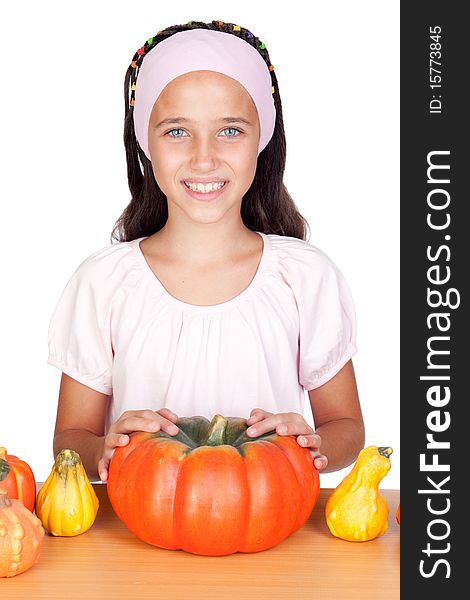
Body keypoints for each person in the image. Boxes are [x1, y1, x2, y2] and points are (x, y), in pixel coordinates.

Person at [48, 19, 365, 483]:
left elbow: (347, 427)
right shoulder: (104, 281)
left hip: (273, 533)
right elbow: (70, 436)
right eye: (177, 131)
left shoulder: (305, 276)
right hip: (139, 530)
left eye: (230, 130)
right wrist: (103, 448)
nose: (203, 158)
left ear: (263, 139)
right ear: (145, 143)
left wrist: (314, 446)